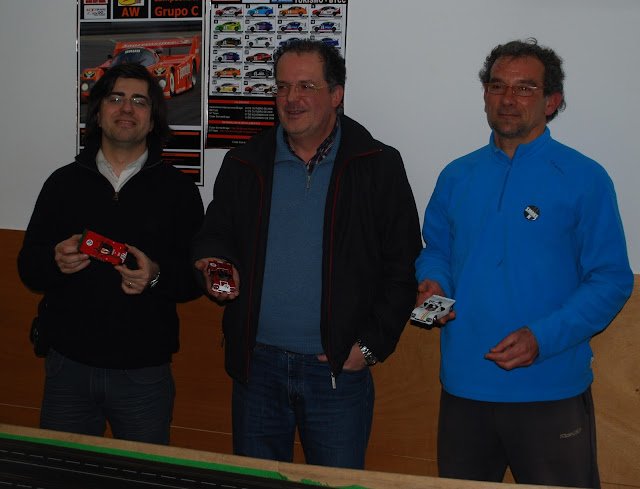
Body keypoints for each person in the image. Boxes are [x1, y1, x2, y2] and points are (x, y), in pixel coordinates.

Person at [415, 38, 634, 488]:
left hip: (550, 386)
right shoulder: (457, 175)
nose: (508, 99)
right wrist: (433, 281)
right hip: (464, 386)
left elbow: (611, 278)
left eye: (525, 88)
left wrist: (543, 337)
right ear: (485, 95)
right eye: (497, 86)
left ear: (551, 102)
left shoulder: (585, 178)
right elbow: (436, 249)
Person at [193, 40, 422, 469]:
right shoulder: (244, 162)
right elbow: (214, 236)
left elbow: (403, 265)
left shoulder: (378, 164)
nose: (291, 99)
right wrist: (212, 263)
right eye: (282, 87)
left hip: (336, 370)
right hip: (256, 368)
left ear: (336, 94)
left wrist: (370, 347)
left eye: (306, 86)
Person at [18, 63, 204, 445]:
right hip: (67, 369)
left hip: (143, 375)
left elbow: (194, 277)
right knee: (62, 471)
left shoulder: (179, 191)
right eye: (116, 98)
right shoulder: (62, 183)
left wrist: (156, 276)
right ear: (99, 114)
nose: (127, 108)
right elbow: (28, 267)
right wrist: (54, 261)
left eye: (140, 101)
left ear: (152, 120)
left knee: (142, 474)